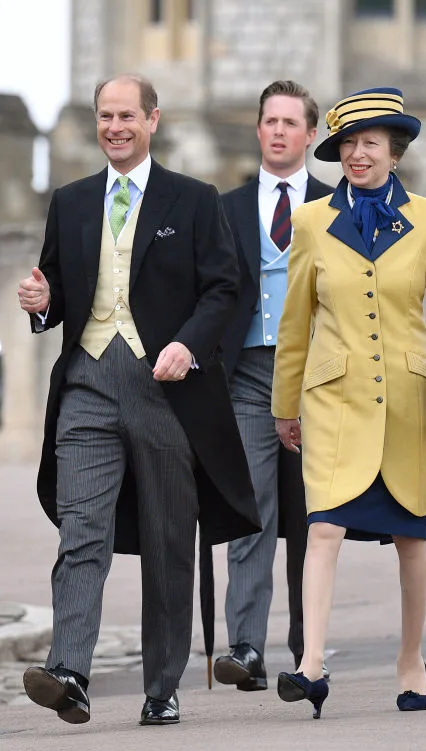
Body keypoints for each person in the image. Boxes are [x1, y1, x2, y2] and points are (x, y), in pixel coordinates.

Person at [16, 74, 259, 726]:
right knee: (81, 532)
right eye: (105, 115)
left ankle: (162, 684)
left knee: (168, 541)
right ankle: (69, 670)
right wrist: (43, 306)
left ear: (153, 120)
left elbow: (223, 289)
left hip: (166, 393)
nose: (115, 126)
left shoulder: (194, 199)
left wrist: (187, 344)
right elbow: (61, 289)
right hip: (88, 388)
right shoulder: (70, 201)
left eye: (127, 115)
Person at [270, 87, 426, 718]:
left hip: (407, 400)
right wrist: (284, 405)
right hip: (334, 401)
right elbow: (295, 324)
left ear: (395, 150)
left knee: (410, 540)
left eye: (370, 143)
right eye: (347, 144)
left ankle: (410, 662)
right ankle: (311, 666)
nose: (357, 155)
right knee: (323, 528)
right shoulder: (312, 221)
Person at [213, 80, 334, 692]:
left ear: (310, 135)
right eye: (271, 121)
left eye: (292, 122)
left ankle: (307, 649)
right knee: (252, 509)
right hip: (248, 374)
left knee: (315, 518)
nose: (280, 131)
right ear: (258, 130)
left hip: (319, 372)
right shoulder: (224, 207)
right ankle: (246, 646)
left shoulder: (336, 205)